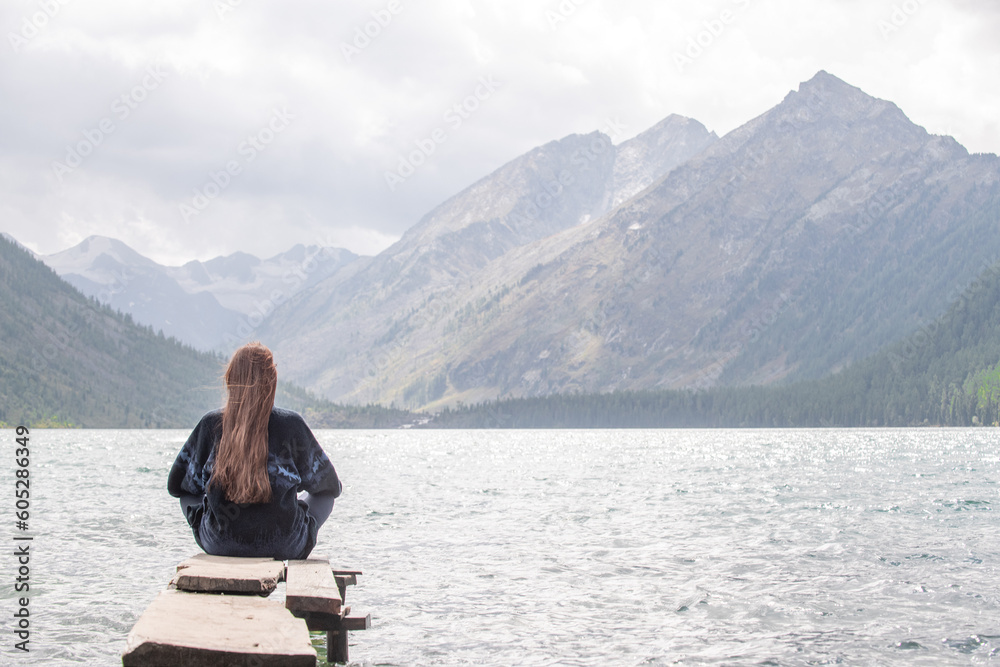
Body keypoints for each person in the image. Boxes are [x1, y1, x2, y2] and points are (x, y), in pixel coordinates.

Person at [168, 341, 341, 560]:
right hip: (285, 544)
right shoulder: (291, 425)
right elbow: (328, 487)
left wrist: (208, 511)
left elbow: (179, 486)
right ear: (272, 383)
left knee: (191, 494)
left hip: (220, 544)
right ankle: (293, 529)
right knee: (323, 496)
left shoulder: (210, 425)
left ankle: (221, 531)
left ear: (231, 380)